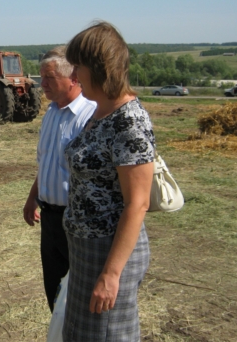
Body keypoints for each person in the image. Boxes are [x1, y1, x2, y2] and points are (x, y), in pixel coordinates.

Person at [62, 21, 155, 341]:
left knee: (108, 334)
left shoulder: (129, 120)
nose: (73, 76)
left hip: (110, 252)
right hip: (86, 249)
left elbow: (137, 203)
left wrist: (111, 274)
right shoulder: (100, 111)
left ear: (100, 68)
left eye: (78, 67)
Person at [23, 46, 96, 312]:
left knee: (79, 294)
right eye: (42, 77)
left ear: (74, 78)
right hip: (50, 219)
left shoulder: (90, 115)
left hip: (78, 220)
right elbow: (46, 161)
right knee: (54, 291)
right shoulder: (51, 113)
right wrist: (33, 197)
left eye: (49, 78)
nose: (42, 84)